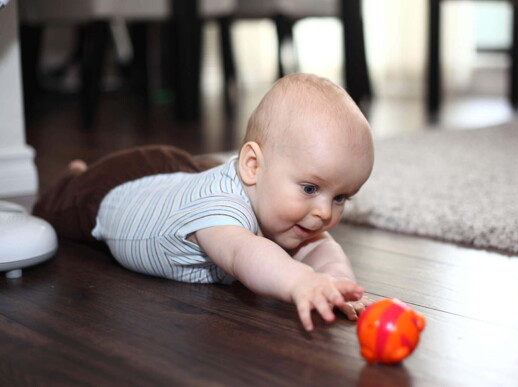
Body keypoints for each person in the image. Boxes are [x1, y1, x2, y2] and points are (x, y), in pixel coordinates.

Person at [34, 73, 375, 331]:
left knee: (203, 172)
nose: (324, 212)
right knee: (57, 209)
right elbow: (246, 254)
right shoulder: (221, 212)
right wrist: (301, 280)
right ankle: (75, 174)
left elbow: (321, 248)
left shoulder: (288, 206)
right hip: (114, 187)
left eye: (341, 197)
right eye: (310, 189)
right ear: (252, 166)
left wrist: (338, 282)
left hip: (182, 175)